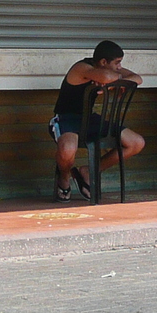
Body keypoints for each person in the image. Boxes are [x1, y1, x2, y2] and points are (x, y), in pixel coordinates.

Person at [52, 40, 146, 202]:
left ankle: (89, 171)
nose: (119, 66)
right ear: (103, 62)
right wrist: (110, 80)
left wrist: (109, 83)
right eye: (117, 63)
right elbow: (107, 75)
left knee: (136, 143)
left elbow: (137, 78)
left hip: (90, 119)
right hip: (66, 118)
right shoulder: (82, 67)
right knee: (68, 148)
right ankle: (64, 178)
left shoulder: (107, 68)